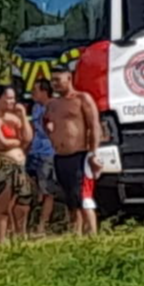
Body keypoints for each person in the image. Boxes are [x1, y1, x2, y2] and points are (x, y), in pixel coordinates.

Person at [45, 66, 100, 237]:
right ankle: (75, 235)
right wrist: (51, 133)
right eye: (52, 81)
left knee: (83, 198)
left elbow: (94, 126)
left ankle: (92, 236)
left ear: (69, 78)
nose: (55, 84)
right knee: (70, 199)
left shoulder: (82, 99)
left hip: (80, 156)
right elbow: (45, 121)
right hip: (61, 157)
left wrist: (93, 154)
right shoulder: (52, 104)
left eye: (58, 80)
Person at [0, 84, 35, 243]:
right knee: (1, 211)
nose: (12, 101)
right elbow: (1, 143)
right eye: (8, 98)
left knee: (22, 205)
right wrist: (18, 141)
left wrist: (23, 116)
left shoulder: (13, 118)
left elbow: (28, 138)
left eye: (13, 98)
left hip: (18, 166)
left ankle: (19, 240)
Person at [27, 79, 61, 235]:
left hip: (48, 151)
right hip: (34, 151)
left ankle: (42, 225)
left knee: (47, 189)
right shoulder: (35, 107)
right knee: (31, 188)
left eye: (36, 90)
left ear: (44, 91)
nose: (33, 93)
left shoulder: (55, 106)